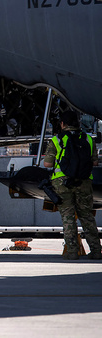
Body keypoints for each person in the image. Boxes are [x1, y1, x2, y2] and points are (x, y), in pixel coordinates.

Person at [43, 110, 101, 260]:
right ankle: (96, 251)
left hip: (62, 184)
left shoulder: (57, 140)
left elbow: (47, 163)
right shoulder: (88, 139)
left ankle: (73, 251)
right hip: (84, 182)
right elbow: (95, 162)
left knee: (68, 217)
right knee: (87, 216)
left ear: (62, 124)